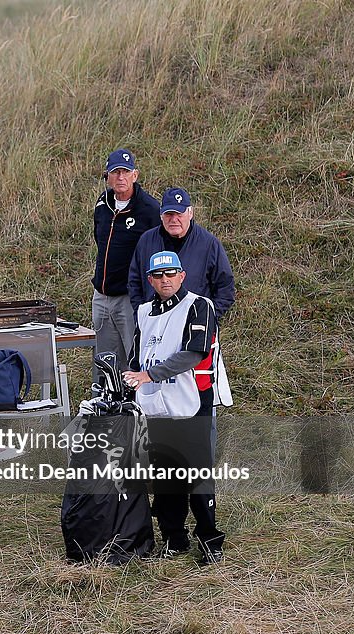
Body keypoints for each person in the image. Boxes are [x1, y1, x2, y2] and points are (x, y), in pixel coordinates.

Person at [123, 252, 226, 566]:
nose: (165, 280)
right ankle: (173, 538)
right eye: (159, 275)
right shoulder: (143, 311)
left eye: (171, 273)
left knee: (196, 473)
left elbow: (193, 354)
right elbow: (135, 355)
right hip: (154, 404)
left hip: (190, 401)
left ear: (182, 275)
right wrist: (128, 380)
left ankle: (210, 541)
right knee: (166, 475)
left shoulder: (198, 305)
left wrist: (148, 375)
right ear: (151, 280)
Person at [91, 148, 160, 385]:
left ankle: (136, 414)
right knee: (105, 361)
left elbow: (159, 252)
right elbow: (98, 240)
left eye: (126, 172)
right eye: (115, 172)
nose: (120, 177)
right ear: (107, 176)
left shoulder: (149, 209)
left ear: (135, 175)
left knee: (134, 360)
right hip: (101, 296)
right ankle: (104, 412)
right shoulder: (102, 203)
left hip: (130, 299)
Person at [128, 187, 235, 318]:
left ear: (190, 213)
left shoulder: (209, 244)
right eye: (169, 214)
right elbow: (134, 282)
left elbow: (226, 289)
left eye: (179, 214)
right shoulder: (146, 241)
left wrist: (206, 318)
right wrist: (142, 314)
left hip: (193, 326)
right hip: (154, 322)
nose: (174, 220)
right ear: (161, 215)